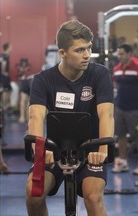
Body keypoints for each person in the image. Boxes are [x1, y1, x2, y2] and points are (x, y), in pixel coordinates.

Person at [25, 20, 114, 216]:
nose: (87, 55)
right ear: (62, 53)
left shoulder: (100, 74)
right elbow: (36, 117)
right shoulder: (43, 80)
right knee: (33, 193)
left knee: (93, 197)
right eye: (80, 50)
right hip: (55, 150)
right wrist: (39, 150)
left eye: (89, 48)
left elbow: (106, 114)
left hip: (90, 150)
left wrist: (102, 149)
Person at [112, 43, 138, 175]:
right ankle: (123, 162)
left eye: (122, 53)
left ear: (130, 54)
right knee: (120, 135)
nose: (120, 56)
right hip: (119, 108)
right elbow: (115, 85)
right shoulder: (117, 68)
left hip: (134, 109)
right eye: (119, 54)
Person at [16, 58, 33, 123]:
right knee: (23, 101)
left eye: (25, 65)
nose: (23, 66)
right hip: (24, 84)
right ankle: (22, 116)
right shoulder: (19, 70)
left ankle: (26, 116)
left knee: (28, 102)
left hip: (30, 83)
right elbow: (19, 78)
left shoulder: (30, 69)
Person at [0, 43, 12, 112]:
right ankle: (5, 107)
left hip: (3, 76)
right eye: (10, 47)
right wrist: (4, 72)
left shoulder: (2, 55)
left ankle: (6, 106)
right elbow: (3, 64)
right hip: (3, 76)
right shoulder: (5, 56)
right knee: (6, 90)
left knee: (8, 90)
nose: (11, 48)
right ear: (7, 48)